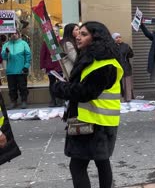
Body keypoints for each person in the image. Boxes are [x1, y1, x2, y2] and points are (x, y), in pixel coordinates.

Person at [51, 21, 123, 188]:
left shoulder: (105, 63)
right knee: (102, 162)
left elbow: (86, 92)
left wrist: (59, 88)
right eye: (78, 33)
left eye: (84, 34)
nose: (78, 37)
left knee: (78, 166)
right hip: (95, 122)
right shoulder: (91, 58)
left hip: (94, 123)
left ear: (96, 37)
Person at [1, 30, 31, 109]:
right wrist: (6, 52)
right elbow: (3, 57)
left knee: (23, 87)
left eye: (15, 33)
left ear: (18, 34)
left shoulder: (24, 43)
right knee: (12, 88)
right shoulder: (6, 45)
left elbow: (28, 55)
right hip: (10, 71)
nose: (14, 35)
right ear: (10, 35)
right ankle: (13, 101)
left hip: (21, 70)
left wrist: (26, 66)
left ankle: (24, 101)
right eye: (12, 34)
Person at [40, 37, 63, 107]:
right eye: (54, 31)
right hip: (50, 67)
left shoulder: (61, 41)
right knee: (52, 83)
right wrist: (42, 66)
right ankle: (53, 100)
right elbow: (42, 54)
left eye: (56, 31)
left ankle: (60, 99)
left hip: (60, 66)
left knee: (60, 83)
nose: (55, 33)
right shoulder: (47, 42)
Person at [112, 33, 134, 102]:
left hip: (126, 67)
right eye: (116, 37)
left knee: (127, 83)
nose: (118, 39)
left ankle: (128, 98)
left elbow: (131, 55)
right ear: (113, 39)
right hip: (116, 68)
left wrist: (129, 51)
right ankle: (119, 99)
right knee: (118, 84)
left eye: (119, 37)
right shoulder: (112, 47)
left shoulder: (126, 46)